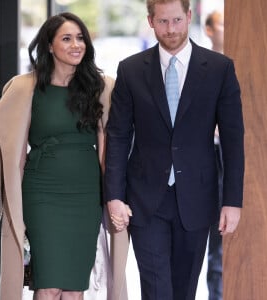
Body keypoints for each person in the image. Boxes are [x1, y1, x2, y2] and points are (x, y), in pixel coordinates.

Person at [104, 0, 244, 299]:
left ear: (189, 17)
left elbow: (233, 139)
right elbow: (117, 135)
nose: (171, 29)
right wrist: (114, 196)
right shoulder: (130, 70)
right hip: (144, 199)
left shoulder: (220, 69)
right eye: (163, 21)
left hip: (197, 196)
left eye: (177, 20)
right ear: (151, 21)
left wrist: (232, 201)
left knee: (184, 290)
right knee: (156, 289)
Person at [0, 12, 115, 300]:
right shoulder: (27, 87)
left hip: (85, 195)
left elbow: (107, 151)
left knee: (73, 289)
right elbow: (15, 155)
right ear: (49, 45)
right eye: (67, 38)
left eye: (81, 38)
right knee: (48, 286)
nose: (76, 44)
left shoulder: (101, 87)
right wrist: (13, 210)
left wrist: (113, 198)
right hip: (42, 194)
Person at [205, 10, 225, 300]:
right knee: (213, 242)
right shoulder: (201, 67)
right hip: (208, 156)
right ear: (209, 30)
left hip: (232, 156)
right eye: (223, 23)